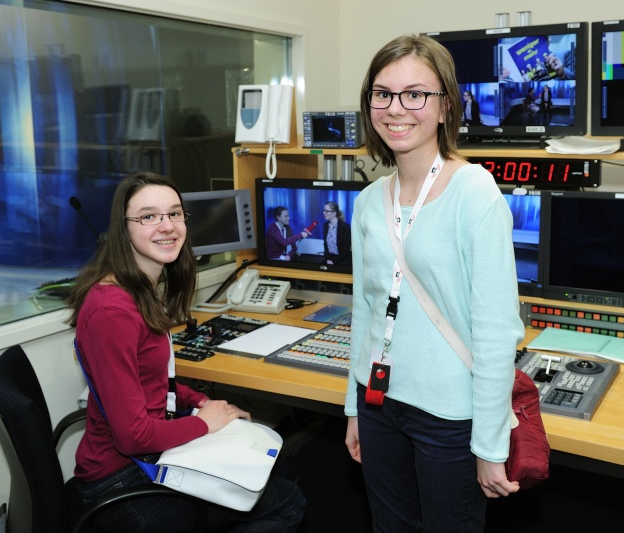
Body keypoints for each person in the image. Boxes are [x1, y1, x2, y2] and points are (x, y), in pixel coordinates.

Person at [344, 34, 525, 532]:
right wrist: (354, 407)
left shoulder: (475, 193)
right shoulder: (368, 200)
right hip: (378, 403)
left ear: (445, 106)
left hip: (450, 416)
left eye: (415, 94)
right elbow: (365, 309)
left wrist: (490, 445)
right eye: (383, 94)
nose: (396, 108)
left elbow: (496, 330)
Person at [66, 172, 305, 533]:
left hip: (144, 457)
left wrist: (202, 402)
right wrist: (204, 423)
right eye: (148, 216)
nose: (167, 226)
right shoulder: (111, 311)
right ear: (123, 229)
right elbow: (132, 436)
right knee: (288, 504)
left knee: (274, 464)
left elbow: (152, 382)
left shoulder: (137, 290)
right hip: (123, 481)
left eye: (174, 213)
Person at [322, 201, 351, 266]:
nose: (324, 213)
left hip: (342, 259)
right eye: (324, 210)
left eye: (327, 211)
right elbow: (325, 245)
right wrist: (328, 259)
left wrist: (334, 261)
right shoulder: (326, 225)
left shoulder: (345, 226)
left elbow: (346, 248)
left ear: (334, 213)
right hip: (330, 258)